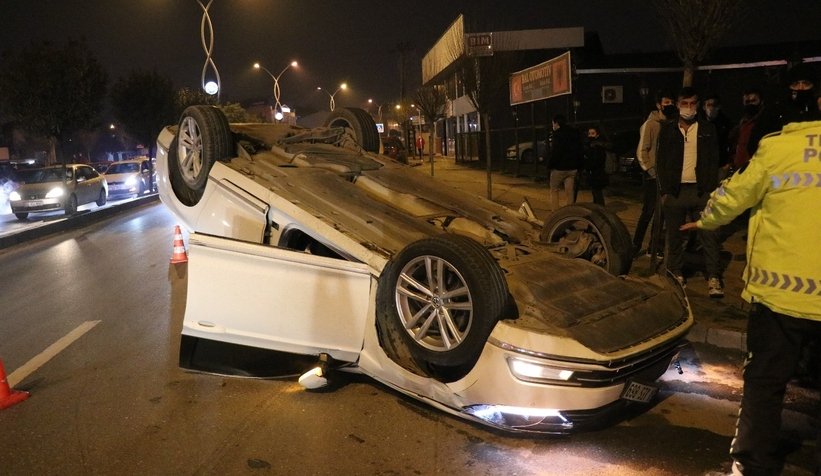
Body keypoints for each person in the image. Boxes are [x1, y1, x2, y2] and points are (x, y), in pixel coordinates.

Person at [681, 116, 821, 476]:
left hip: (782, 296)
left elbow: (733, 197)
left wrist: (706, 220)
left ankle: (752, 466)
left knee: (765, 383)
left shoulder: (779, 148)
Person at [656, 86, 724, 297]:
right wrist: (665, 191)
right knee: (675, 236)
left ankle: (713, 277)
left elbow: (714, 159)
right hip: (675, 192)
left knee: (709, 235)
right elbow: (661, 161)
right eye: (684, 103)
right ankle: (676, 273)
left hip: (701, 191)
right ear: (677, 105)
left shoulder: (707, 128)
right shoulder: (667, 129)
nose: (688, 108)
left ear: (697, 105)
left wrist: (711, 189)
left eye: (692, 103)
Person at [632, 89, 676, 257]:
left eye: (671, 103)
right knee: (648, 212)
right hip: (653, 177)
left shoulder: (673, 124)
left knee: (662, 213)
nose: (669, 106)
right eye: (666, 103)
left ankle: (654, 246)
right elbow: (642, 150)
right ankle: (635, 246)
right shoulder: (650, 124)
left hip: (667, 177)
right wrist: (651, 171)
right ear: (659, 105)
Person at [747, 61, 819, 156]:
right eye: (796, 84)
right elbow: (755, 144)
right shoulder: (775, 111)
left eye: (806, 83)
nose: (801, 88)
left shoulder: (818, 110)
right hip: (781, 166)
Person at [547, 114, 582, 210]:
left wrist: (550, 164)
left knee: (554, 190)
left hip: (559, 168)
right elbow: (579, 149)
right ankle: (569, 212)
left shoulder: (558, 135)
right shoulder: (575, 133)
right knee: (570, 192)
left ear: (557, 123)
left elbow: (556, 152)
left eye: (553, 123)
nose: (552, 126)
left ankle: (555, 213)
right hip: (572, 168)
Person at [703, 93, 734, 179]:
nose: (711, 108)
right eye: (708, 105)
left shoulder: (726, 124)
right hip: (702, 167)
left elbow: (732, 144)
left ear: (719, 107)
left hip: (720, 167)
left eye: (714, 105)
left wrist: (728, 164)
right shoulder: (699, 124)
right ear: (704, 107)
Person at [580, 126, 608, 206]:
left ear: (597, 135)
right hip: (594, 172)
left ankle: (601, 212)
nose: (590, 135)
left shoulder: (597, 146)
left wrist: (587, 164)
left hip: (597, 173)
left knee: (597, 194)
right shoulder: (591, 145)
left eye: (593, 133)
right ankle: (598, 210)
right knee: (595, 193)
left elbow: (596, 160)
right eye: (589, 133)